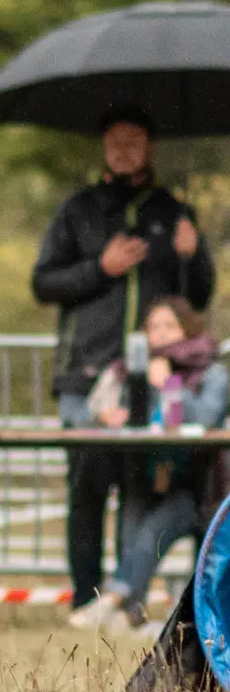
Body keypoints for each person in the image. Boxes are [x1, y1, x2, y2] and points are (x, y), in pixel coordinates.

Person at [32, 108, 214, 615]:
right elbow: (43, 282)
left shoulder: (173, 211)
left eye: (135, 140)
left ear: (151, 147)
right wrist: (100, 268)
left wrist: (191, 255)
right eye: (115, 139)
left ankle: (126, 602)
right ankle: (85, 599)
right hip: (85, 377)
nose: (124, 148)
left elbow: (196, 299)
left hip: (150, 381)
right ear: (103, 147)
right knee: (87, 489)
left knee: (138, 490)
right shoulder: (78, 211)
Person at [67, 297, 227, 635]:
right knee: (134, 527)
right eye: (154, 327)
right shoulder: (126, 370)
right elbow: (86, 413)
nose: (162, 335)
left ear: (188, 328)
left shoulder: (211, 372)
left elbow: (204, 420)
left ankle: (113, 598)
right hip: (140, 475)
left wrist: (167, 385)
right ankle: (129, 611)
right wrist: (103, 416)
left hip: (194, 485)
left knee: (154, 527)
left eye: (170, 326)